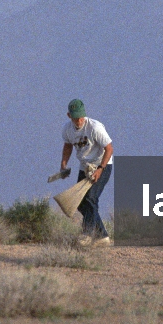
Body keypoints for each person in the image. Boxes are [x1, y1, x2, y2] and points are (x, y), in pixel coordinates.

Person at [60, 98, 113, 245]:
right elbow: (68, 146)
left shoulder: (95, 127)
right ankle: (102, 237)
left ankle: (87, 234)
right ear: (69, 116)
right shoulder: (67, 129)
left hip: (103, 164)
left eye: (81, 117)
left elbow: (109, 149)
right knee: (80, 202)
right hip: (85, 166)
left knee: (91, 198)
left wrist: (100, 169)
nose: (79, 120)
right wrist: (63, 165)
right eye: (76, 118)